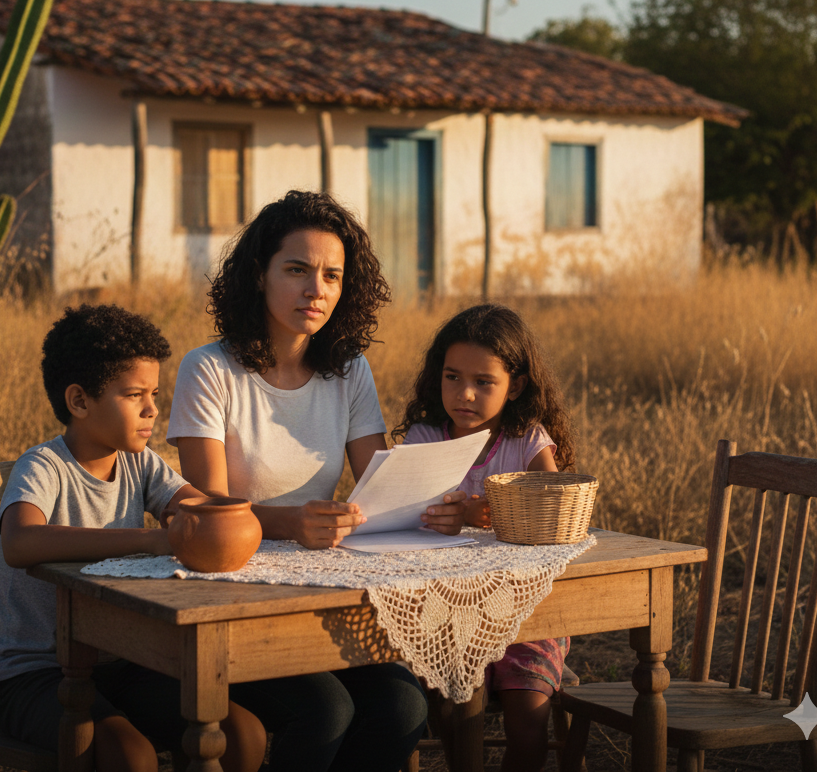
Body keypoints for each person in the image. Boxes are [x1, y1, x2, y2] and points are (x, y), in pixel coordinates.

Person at [167, 190, 459, 772]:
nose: (316, 290)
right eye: (297, 270)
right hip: (233, 597)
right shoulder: (209, 370)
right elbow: (205, 516)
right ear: (258, 274)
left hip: (325, 591)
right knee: (325, 712)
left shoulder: (349, 369)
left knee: (404, 706)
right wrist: (286, 523)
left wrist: (427, 505)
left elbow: (379, 487)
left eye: (332, 275)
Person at [0, 304, 266, 772]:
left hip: (122, 662)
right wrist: (150, 540)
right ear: (79, 401)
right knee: (132, 757)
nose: (153, 408)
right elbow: (21, 543)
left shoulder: (140, 463)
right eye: (134, 394)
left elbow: (200, 507)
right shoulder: (44, 467)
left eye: (154, 392)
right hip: (34, 674)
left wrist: (218, 512)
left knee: (242, 734)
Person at [395, 303, 577, 772]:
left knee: (527, 719)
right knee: (454, 709)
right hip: (443, 613)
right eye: (453, 377)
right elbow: (397, 510)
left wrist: (483, 515)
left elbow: (551, 504)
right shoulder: (424, 438)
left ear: (515, 385)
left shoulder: (526, 441)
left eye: (484, 382)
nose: (465, 394)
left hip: (525, 611)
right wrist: (432, 514)